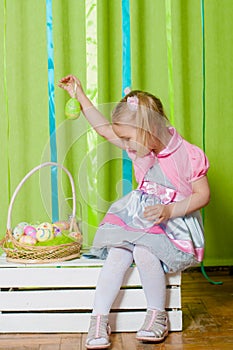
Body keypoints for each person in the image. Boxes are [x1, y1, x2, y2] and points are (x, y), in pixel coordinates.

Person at [59, 75, 210, 349]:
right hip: (140, 216)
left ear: (151, 128)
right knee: (117, 253)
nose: (126, 146)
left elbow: (203, 195)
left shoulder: (188, 155)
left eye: (128, 138)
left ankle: (157, 315)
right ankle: (98, 318)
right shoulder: (140, 146)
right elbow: (105, 129)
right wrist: (79, 94)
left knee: (143, 252)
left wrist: (170, 209)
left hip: (173, 221)